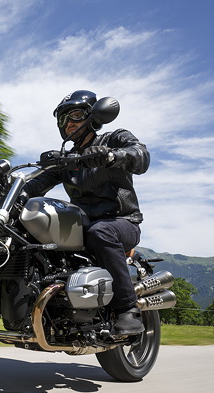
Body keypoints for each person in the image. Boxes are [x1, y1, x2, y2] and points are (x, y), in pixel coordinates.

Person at [22, 89, 150, 335]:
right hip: (84, 227)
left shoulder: (113, 139)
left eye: (76, 115)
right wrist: (9, 191)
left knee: (100, 231)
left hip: (121, 222)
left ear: (92, 116)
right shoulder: (68, 160)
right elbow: (35, 185)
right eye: (64, 120)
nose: (69, 123)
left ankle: (127, 310)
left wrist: (113, 156)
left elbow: (141, 156)